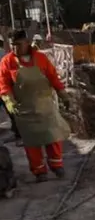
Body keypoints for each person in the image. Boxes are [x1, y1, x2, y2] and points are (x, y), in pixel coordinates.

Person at [0, 29, 70, 182]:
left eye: (18, 45)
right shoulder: (7, 62)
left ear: (26, 42)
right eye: (12, 45)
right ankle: (39, 171)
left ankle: (57, 165)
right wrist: (9, 101)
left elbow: (53, 77)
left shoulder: (41, 58)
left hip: (45, 106)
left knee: (53, 136)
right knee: (31, 142)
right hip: (24, 109)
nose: (15, 49)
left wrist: (63, 95)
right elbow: (4, 85)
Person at [0, 35, 20, 146]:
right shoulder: (6, 55)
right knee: (11, 111)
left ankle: (19, 134)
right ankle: (18, 133)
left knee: (11, 111)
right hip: (7, 87)